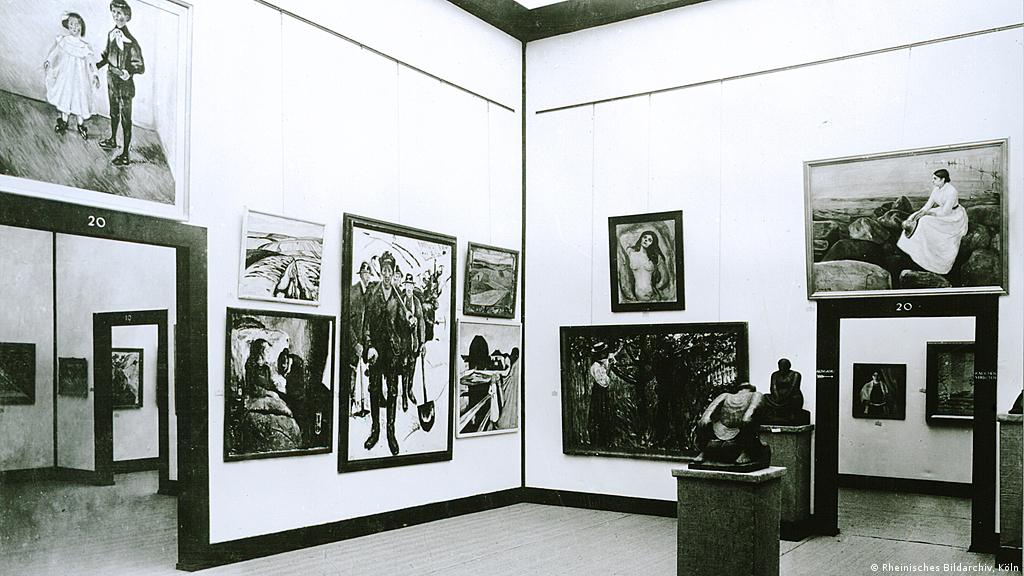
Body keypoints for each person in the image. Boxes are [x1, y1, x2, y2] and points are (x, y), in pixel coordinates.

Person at [362, 251, 404, 456]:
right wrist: (369, 345)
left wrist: (411, 322)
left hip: (393, 352)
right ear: (380, 271)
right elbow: (366, 325)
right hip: (376, 351)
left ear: (394, 272)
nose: (387, 275)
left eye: (390, 271)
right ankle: (375, 430)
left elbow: (403, 325)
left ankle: (391, 432)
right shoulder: (372, 294)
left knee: (393, 390)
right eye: (384, 271)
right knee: (374, 389)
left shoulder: (399, 296)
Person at [96, 0, 144, 167]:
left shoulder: (131, 42)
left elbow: (140, 66)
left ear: (127, 16)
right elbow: (106, 55)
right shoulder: (111, 34)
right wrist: (95, 66)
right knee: (113, 112)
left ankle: (125, 155)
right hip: (111, 80)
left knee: (125, 119)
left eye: (121, 13)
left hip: (124, 85)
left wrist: (129, 72)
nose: (117, 16)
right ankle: (112, 140)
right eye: (115, 12)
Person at [896, 169, 969, 275]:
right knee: (914, 217)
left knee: (925, 221)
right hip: (940, 211)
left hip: (952, 216)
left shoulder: (952, 191)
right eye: (933, 178)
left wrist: (927, 214)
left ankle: (930, 258)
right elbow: (928, 205)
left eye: (935, 178)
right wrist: (918, 213)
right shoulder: (936, 189)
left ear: (943, 179)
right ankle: (911, 250)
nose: (932, 181)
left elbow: (945, 212)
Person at [43, 12, 100, 140]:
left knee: (79, 99)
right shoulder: (64, 41)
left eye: (76, 24)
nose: (74, 27)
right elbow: (55, 52)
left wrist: (95, 74)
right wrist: (49, 60)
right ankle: (64, 122)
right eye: (71, 24)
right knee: (65, 97)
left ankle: (80, 125)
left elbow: (91, 62)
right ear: (67, 26)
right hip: (66, 77)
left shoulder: (84, 46)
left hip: (80, 79)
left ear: (81, 26)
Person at [693, 383, 770, 470]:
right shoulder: (726, 395)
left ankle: (747, 451)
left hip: (741, 427)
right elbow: (711, 409)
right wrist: (705, 418)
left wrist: (747, 417)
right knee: (703, 422)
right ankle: (705, 451)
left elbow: (753, 408)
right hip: (722, 426)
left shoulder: (756, 395)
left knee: (748, 420)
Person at [349, 261, 375, 416]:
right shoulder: (353, 292)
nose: (367, 277)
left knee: (363, 373)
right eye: (364, 274)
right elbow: (347, 321)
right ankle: (352, 405)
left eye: (368, 274)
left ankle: (363, 405)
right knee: (352, 372)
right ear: (360, 275)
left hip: (364, 342)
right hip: (353, 342)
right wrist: (354, 343)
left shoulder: (369, 294)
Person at [398, 273, 426, 412]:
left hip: (414, 342)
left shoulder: (417, 302)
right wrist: (406, 322)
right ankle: (404, 395)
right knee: (404, 368)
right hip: (403, 342)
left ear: (413, 287)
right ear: (404, 286)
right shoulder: (400, 300)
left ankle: (409, 390)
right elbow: (396, 320)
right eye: (407, 285)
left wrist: (422, 342)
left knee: (412, 367)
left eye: (410, 285)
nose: (408, 288)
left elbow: (421, 322)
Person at [587, 341, 621, 448]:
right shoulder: (596, 367)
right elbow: (604, 382)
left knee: (606, 413)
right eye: (602, 353)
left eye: (604, 352)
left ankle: (607, 439)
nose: (604, 355)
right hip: (599, 392)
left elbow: (611, 358)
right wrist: (609, 368)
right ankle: (600, 441)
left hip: (603, 392)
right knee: (600, 414)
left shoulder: (603, 362)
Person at [621, 230, 669, 302]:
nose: (646, 240)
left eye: (650, 240)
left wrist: (656, 287)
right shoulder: (631, 253)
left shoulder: (655, 258)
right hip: (635, 296)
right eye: (645, 237)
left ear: (652, 243)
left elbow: (665, 278)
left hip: (652, 295)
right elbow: (621, 240)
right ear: (641, 238)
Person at [762, 358, 810, 425]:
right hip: (777, 398)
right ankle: (777, 413)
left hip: (790, 398)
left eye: (784, 366)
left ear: (789, 366)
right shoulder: (775, 375)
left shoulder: (796, 374)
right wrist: (777, 398)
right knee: (765, 396)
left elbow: (793, 388)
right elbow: (773, 387)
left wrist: (783, 398)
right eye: (780, 366)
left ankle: (789, 414)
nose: (782, 368)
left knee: (795, 398)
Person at [277, 349, 309, 446]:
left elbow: (297, 391)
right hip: (294, 397)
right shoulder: (286, 362)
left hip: (298, 399)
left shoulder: (297, 364)